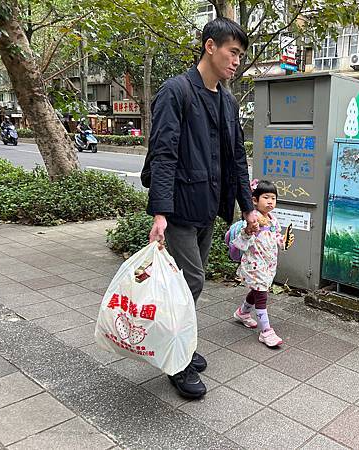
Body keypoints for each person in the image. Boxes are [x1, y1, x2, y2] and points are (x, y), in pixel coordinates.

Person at [146, 17, 257, 400]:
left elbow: (236, 156)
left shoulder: (226, 99)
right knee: (190, 283)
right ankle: (176, 362)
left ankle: (182, 346)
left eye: (240, 55)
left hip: (209, 208)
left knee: (186, 287)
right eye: (233, 52)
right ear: (210, 46)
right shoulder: (175, 92)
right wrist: (160, 212)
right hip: (178, 209)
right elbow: (163, 155)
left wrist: (247, 207)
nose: (236, 61)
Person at [232, 179, 294, 347]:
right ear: (254, 200)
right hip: (255, 265)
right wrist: (247, 231)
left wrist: (284, 241)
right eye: (266, 197)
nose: (270, 202)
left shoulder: (273, 220)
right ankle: (266, 331)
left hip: (268, 265)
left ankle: (242, 313)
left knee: (257, 290)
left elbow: (275, 238)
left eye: (273, 198)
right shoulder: (252, 220)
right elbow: (241, 241)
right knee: (261, 295)